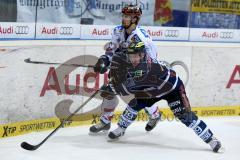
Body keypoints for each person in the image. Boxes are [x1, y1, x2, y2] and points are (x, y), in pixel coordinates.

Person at [107, 41, 223, 153]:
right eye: (130, 56)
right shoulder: (138, 65)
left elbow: (132, 83)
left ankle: (211, 139)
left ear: (143, 55)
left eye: (135, 56)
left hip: (173, 91)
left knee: (186, 117)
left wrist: (115, 85)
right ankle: (121, 129)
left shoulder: (147, 68)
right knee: (133, 105)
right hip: (153, 90)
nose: (132, 59)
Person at [90, 4, 161, 133]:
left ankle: (155, 114)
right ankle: (105, 121)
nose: (123, 18)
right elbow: (111, 50)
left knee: (140, 97)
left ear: (134, 19)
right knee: (108, 92)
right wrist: (103, 60)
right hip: (121, 68)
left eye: (127, 16)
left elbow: (152, 60)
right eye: (123, 15)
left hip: (140, 71)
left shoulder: (142, 38)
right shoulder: (117, 31)